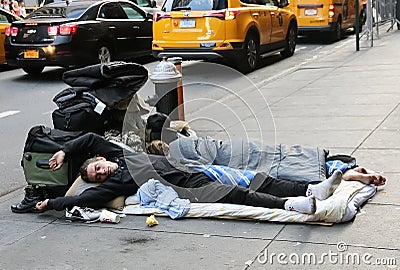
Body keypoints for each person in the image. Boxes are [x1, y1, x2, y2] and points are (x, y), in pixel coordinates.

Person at [34, 133, 346, 215]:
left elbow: (88, 139)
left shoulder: (119, 154)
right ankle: (292, 205)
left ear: (101, 158)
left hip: (194, 167)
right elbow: (87, 198)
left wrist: (64, 151)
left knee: (254, 178)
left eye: (96, 168)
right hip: (187, 183)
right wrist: (52, 203)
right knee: (239, 195)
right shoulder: (117, 182)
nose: (100, 173)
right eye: (97, 176)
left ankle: (312, 188)